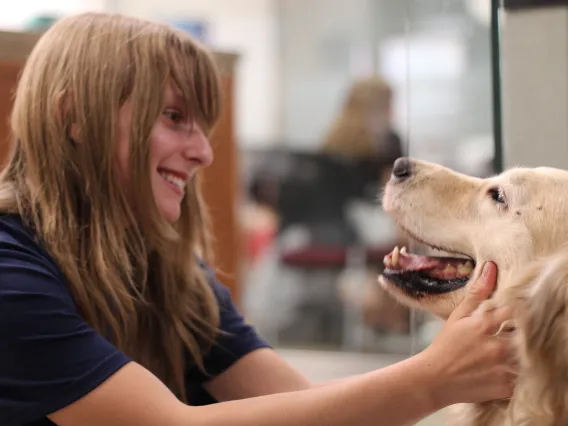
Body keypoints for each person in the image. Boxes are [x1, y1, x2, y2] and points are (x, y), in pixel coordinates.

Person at [0, 12, 514, 426]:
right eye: (174, 117)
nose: (203, 152)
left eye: (201, 126)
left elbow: (300, 407)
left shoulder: (171, 272)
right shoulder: (10, 273)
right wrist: (435, 376)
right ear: (72, 119)